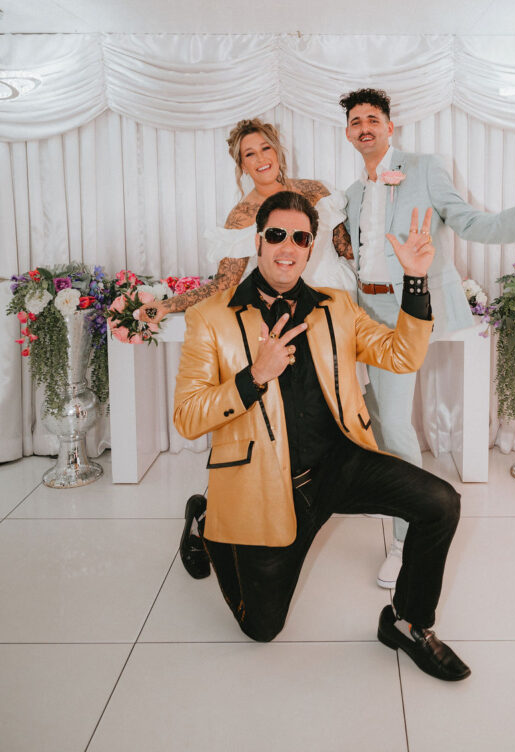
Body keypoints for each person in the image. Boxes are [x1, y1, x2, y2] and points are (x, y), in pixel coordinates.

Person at [174, 189, 471, 682]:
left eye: (300, 238)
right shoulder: (211, 318)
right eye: (276, 235)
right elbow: (187, 416)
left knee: (439, 502)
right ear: (258, 240)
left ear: (311, 248)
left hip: (340, 463)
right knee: (262, 629)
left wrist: (415, 280)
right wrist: (253, 376)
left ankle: (407, 623)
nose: (287, 247)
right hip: (265, 486)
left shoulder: (335, 306)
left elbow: (401, 356)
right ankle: (207, 521)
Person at [341, 87, 515, 587]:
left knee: (397, 425)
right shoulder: (353, 193)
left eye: (373, 119)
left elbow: (466, 220)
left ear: (389, 126)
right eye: (356, 120)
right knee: (377, 415)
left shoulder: (423, 168)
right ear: (348, 133)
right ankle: (390, 498)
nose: (365, 127)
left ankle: (407, 539)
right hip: (365, 310)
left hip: (410, 305)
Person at [139, 117, 355, 325]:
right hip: (288, 311)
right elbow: (224, 283)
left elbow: (346, 249)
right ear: (242, 164)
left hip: (341, 297)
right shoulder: (242, 216)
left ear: (277, 151)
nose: (261, 159)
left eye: (265, 148)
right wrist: (167, 306)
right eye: (250, 154)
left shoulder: (315, 191)